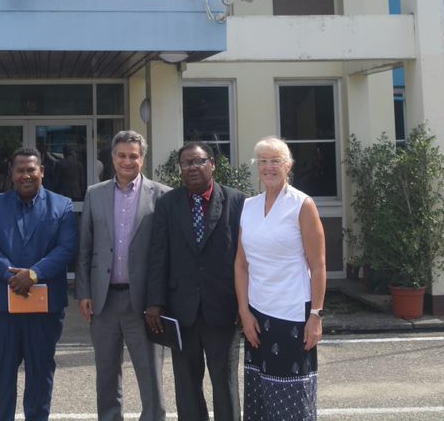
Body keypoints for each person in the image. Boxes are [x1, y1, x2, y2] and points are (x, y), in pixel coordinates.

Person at [144, 142, 247, 421]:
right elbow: (158, 256)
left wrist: (245, 304)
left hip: (223, 309)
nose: (192, 168)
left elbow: (247, 257)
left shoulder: (237, 201)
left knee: (224, 382)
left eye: (198, 161)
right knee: (187, 385)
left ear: (212, 164)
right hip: (182, 310)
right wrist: (155, 302)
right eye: (186, 163)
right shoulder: (168, 204)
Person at [0, 147, 78, 421]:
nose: (26, 175)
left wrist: (33, 274)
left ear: (41, 172)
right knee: (2, 377)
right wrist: (11, 276)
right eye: (20, 170)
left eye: (31, 170)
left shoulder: (62, 205)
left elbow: (67, 248)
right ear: (11, 174)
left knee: (40, 376)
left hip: (44, 311)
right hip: (3, 308)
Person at [76, 130, 171, 421]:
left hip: (143, 303)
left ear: (142, 159)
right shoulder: (95, 193)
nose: (127, 161)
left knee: (151, 375)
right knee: (106, 375)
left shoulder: (162, 195)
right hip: (103, 301)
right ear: (112, 158)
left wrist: (159, 300)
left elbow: (165, 254)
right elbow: (85, 247)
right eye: (121, 155)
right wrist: (84, 292)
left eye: (133, 156)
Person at [235, 137, 326, 421]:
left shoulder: (302, 204)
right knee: (260, 392)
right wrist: (244, 311)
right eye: (262, 161)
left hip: (293, 313)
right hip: (257, 313)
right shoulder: (248, 206)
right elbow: (241, 264)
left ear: (288, 165)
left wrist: (316, 315)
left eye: (275, 161)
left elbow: (319, 264)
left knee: (290, 397)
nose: (268, 167)